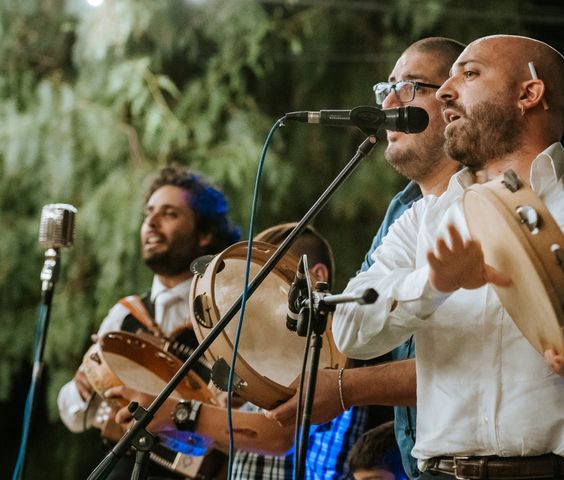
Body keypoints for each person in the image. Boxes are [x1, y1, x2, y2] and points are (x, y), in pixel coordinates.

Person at [333, 34, 564, 479]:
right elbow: (349, 332)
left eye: (470, 73)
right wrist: (433, 283)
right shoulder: (423, 219)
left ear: (529, 93)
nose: (444, 92)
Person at [266, 37, 465, 479]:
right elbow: (354, 324)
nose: (389, 102)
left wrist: (343, 388)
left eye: (411, 86)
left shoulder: (491, 200)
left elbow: (474, 359)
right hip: (423, 463)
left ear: (455, 100)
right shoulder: (403, 210)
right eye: (386, 87)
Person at [108, 222, 373, 479]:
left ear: (317, 277)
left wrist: (179, 413)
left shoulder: (333, 346)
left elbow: (278, 438)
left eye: (267, 281)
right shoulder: (266, 358)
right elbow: (237, 440)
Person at [57, 164, 240, 478]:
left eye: (169, 214)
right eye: (149, 213)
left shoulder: (230, 316)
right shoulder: (126, 314)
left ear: (204, 233)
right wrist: (85, 385)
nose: (151, 223)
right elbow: (77, 418)